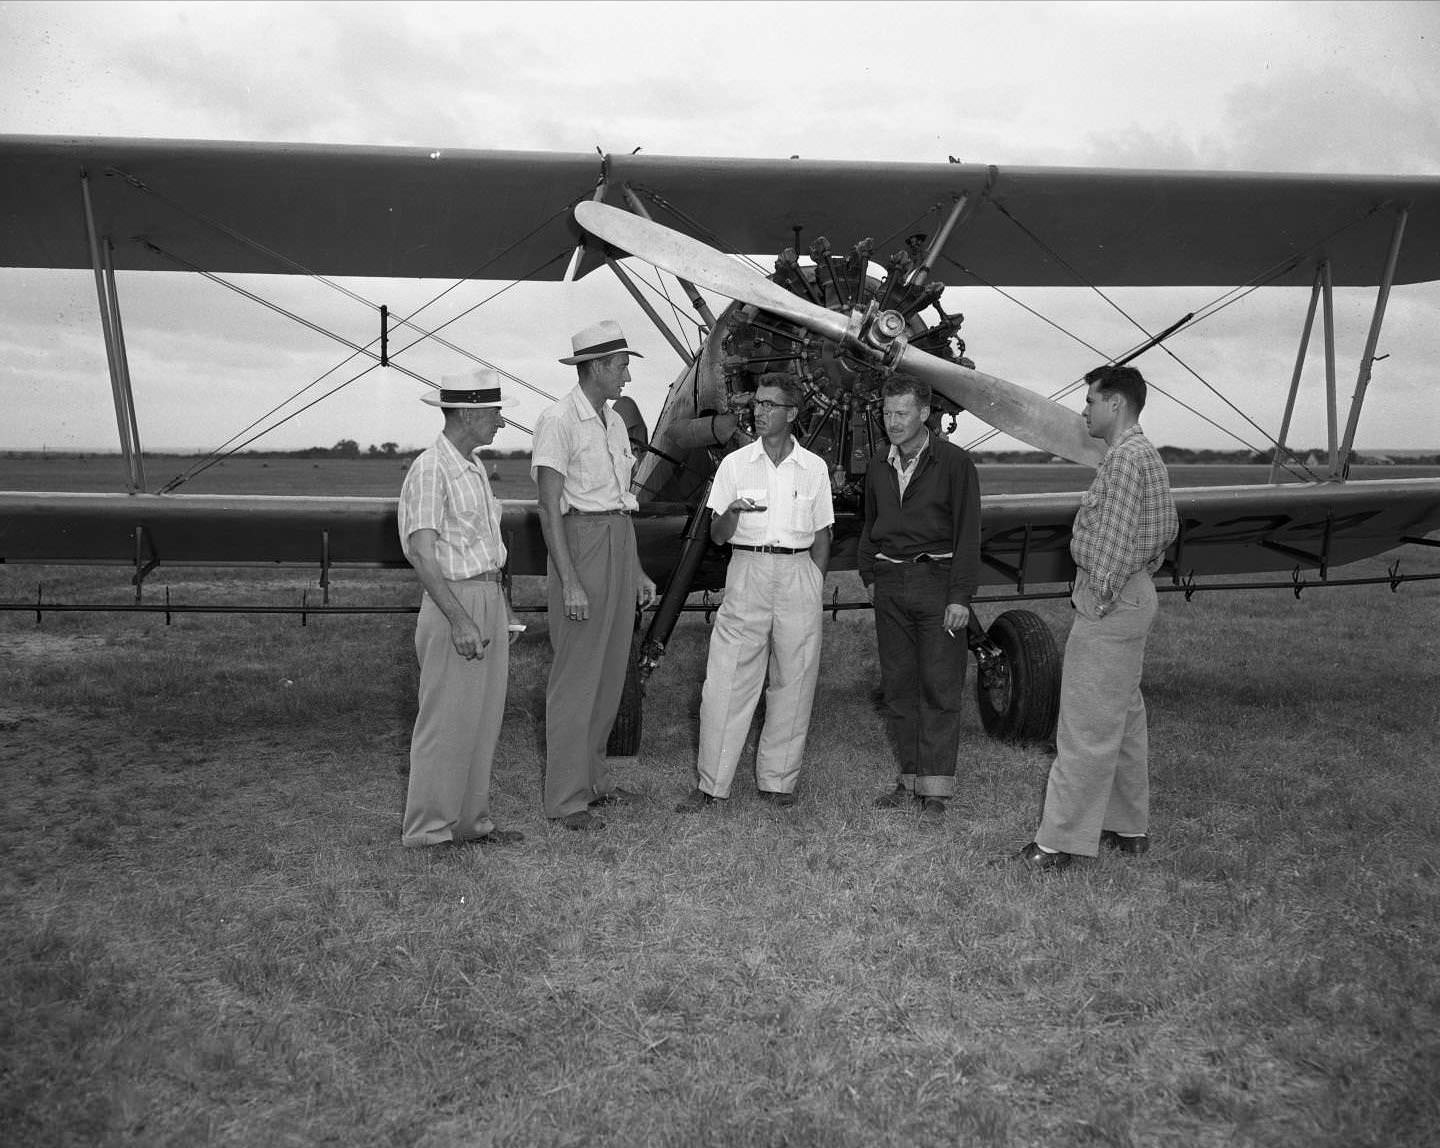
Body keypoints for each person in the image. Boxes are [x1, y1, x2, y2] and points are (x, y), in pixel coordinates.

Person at [1014, 364, 1178, 871]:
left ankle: (1058, 842)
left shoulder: (1126, 459)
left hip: (1111, 599)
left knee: (1084, 726)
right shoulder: (1141, 454)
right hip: (1133, 594)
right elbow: (1164, 529)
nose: (1083, 410)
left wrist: (1099, 600)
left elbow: (1113, 540)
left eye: (1090, 401)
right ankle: (1129, 828)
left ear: (1116, 404)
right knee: (1123, 719)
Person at [677, 375, 834, 812]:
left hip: (798, 572)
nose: (758, 412)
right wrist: (730, 512)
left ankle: (778, 782)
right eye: (758, 404)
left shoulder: (815, 468)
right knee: (726, 679)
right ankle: (711, 785)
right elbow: (719, 536)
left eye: (769, 405)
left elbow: (823, 535)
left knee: (795, 680)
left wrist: (813, 582)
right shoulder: (735, 465)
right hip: (747, 570)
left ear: (792, 414)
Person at [532, 320, 657, 831]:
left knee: (609, 675)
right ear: (600, 366)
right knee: (577, 678)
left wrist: (639, 570)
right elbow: (547, 508)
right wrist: (571, 581)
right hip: (579, 544)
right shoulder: (557, 419)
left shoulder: (611, 422)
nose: (626, 376)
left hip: (618, 542)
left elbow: (618, 503)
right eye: (623, 365)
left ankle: (594, 782)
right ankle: (565, 798)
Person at [397, 368, 524, 849]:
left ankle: (471, 823)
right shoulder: (431, 469)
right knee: (445, 721)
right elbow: (424, 554)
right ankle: (429, 830)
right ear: (469, 413)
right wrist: (460, 617)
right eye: (494, 412)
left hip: (484, 597)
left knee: (482, 718)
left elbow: (486, 551)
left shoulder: (469, 466)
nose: (501, 422)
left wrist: (501, 608)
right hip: (456, 601)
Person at [858, 377, 982, 821]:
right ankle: (910, 778)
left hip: (938, 583)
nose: (892, 422)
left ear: (924, 414)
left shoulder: (954, 463)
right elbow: (870, 524)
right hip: (890, 584)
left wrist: (960, 596)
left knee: (940, 687)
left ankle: (936, 791)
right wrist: (870, 574)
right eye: (887, 413)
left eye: (901, 414)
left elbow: (969, 533)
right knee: (899, 688)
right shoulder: (877, 464)